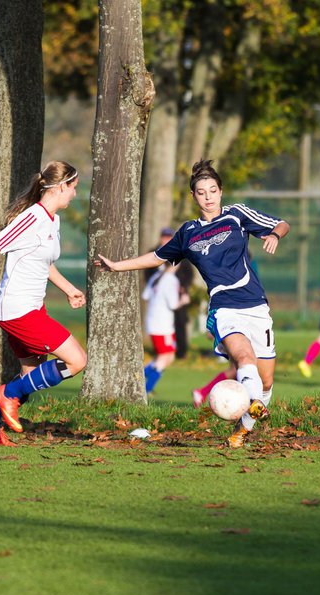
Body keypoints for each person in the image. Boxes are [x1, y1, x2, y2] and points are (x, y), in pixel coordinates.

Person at [99, 159, 290, 448]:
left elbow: (281, 224)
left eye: (213, 190)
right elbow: (157, 257)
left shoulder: (236, 215)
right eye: (201, 192)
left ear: (221, 191)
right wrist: (117, 266)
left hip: (256, 306)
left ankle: (243, 429)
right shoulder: (188, 233)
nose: (208, 196)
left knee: (265, 382)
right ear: (193, 196)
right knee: (243, 358)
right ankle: (251, 405)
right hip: (224, 307)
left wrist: (275, 235)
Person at [0, 161, 87, 443]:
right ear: (60, 187)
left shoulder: (52, 220)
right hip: (17, 309)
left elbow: (45, 265)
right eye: (73, 188)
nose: (74, 194)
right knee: (77, 360)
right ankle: (6, 394)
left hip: (30, 307)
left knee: (29, 379)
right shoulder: (31, 217)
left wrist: (70, 290)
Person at [142, 261, 189, 394]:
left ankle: (141, 382)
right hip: (163, 325)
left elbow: (145, 296)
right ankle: (145, 388)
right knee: (165, 358)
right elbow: (174, 305)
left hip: (154, 322)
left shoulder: (156, 276)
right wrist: (183, 300)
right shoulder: (171, 280)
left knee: (167, 357)